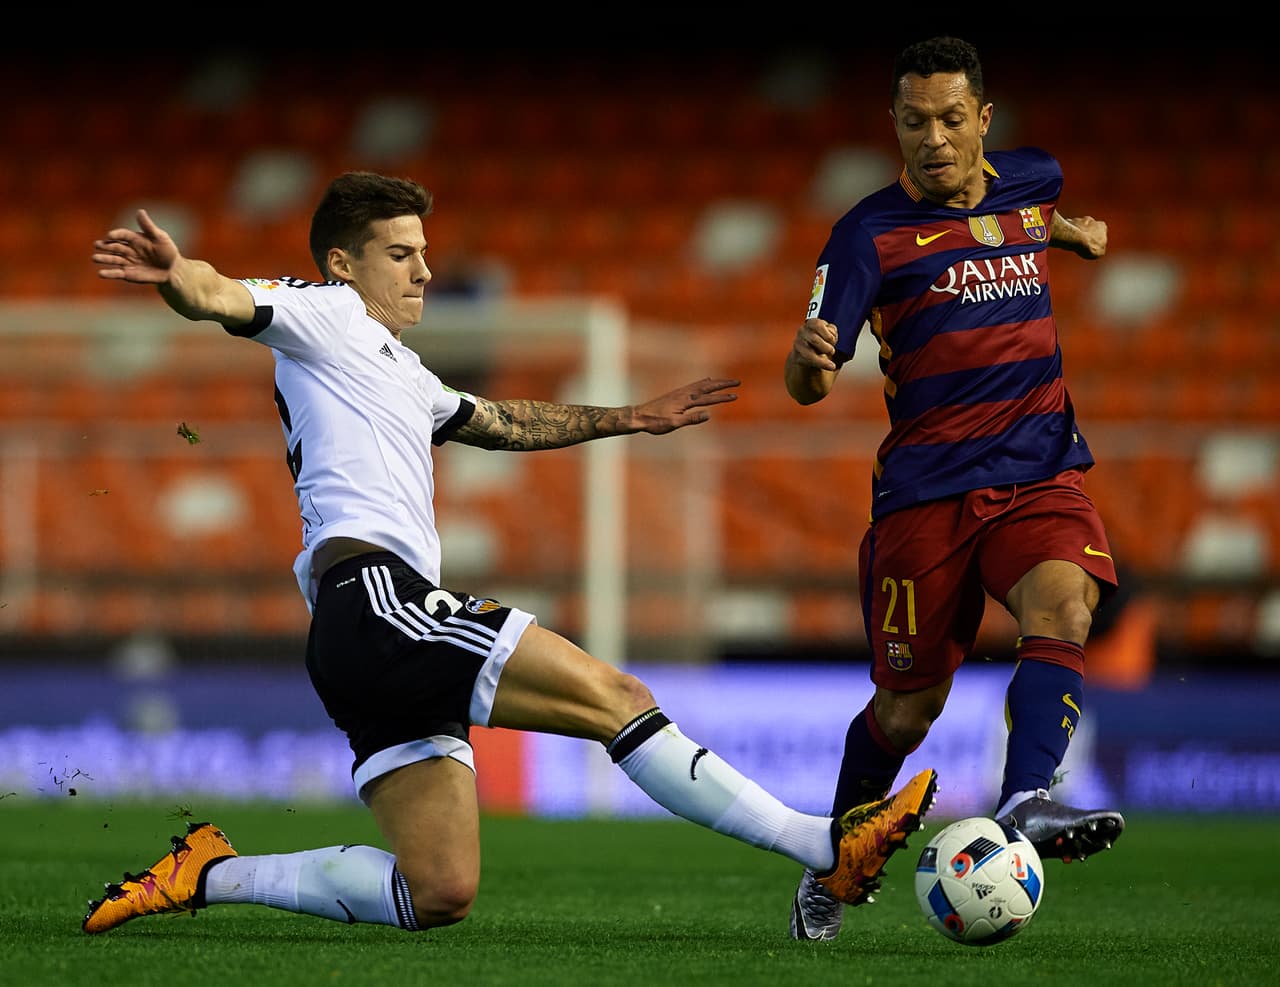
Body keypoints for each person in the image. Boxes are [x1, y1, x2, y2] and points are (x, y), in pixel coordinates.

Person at [82, 171, 940, 936]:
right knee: (620, 697)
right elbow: (219, 295)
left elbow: (496, 421)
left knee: (438, 889)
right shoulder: (322, 310)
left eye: (424, 252)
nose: (423, 270)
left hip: (357, 632)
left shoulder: (400, 370)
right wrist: (179, 279)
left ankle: (209, 872)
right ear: (344, 263)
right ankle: (824, 843)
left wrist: (625, 418)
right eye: (400, 253)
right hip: (377, 599)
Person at [782, 36, 1126, 942]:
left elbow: (1015, 214)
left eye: (947, 120)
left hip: (1040, 468)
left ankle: (1024, 803)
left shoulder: (1032, 179)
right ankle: (835, 862)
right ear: (892, 125)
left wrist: (1067, 228)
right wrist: (807, 363)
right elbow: (811, 379)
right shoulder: (865, 234)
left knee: (1064, 604)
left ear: (983, 120)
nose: (931, 139)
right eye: (911, 122)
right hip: (927, 497)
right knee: (908, 707)